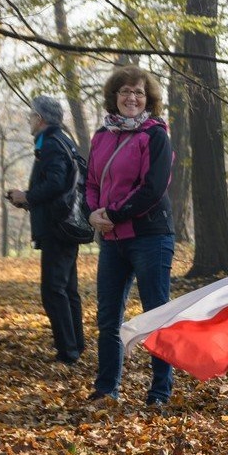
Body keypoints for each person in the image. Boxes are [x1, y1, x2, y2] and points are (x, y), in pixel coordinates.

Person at [85, 65, 175, 409]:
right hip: (112, 240)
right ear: (114, 97)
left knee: (156, 314)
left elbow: (152, 188)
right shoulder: (102, 136)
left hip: (150, 236)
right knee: (108, 317)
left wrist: (113, 214)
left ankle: (160, 392)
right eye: (125, 92)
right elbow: (91, 182)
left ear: (147, 98)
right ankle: (107, 389)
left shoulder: (155, 135)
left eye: (138, 92)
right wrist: (93, 213)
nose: (131, 98)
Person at [7, 96, 86, 365]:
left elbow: (55, 183)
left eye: (31, 116)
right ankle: (76, 345)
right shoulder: (63, 141)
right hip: (65, 225)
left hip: (58, 228)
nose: (29, 120)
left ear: (40, 118)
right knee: (67, 289)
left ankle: (68, 352)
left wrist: (27, 196)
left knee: (53, 290)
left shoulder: (51, 144)